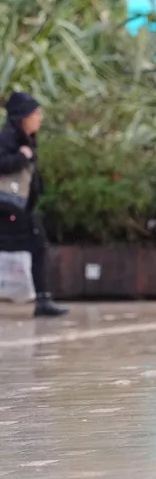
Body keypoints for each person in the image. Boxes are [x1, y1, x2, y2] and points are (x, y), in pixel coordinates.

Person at [0, 92, 68, 317]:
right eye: (36, 113)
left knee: (37, 245)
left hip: (17, 207)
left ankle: (43, 300)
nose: (40, 118)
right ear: (23, 117)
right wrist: (21, 156)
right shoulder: (8, 137)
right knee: (38, 244)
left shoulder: (24, 139)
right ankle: (43, 300)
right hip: (6, 207)